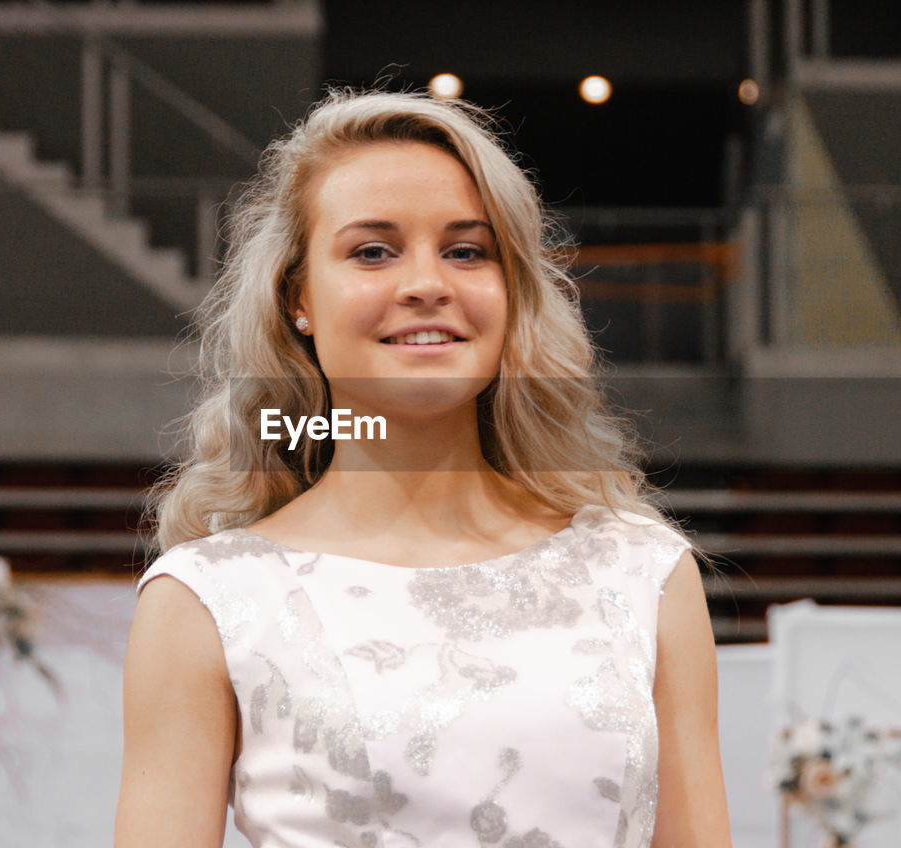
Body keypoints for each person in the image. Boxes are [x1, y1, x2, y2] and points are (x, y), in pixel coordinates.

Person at [115, 89, 731, 848]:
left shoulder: (642, 574)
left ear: (512, 291)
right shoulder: (206, 599)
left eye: (467, 250)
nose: (426, 284)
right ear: (297, 297)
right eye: (373, 251)